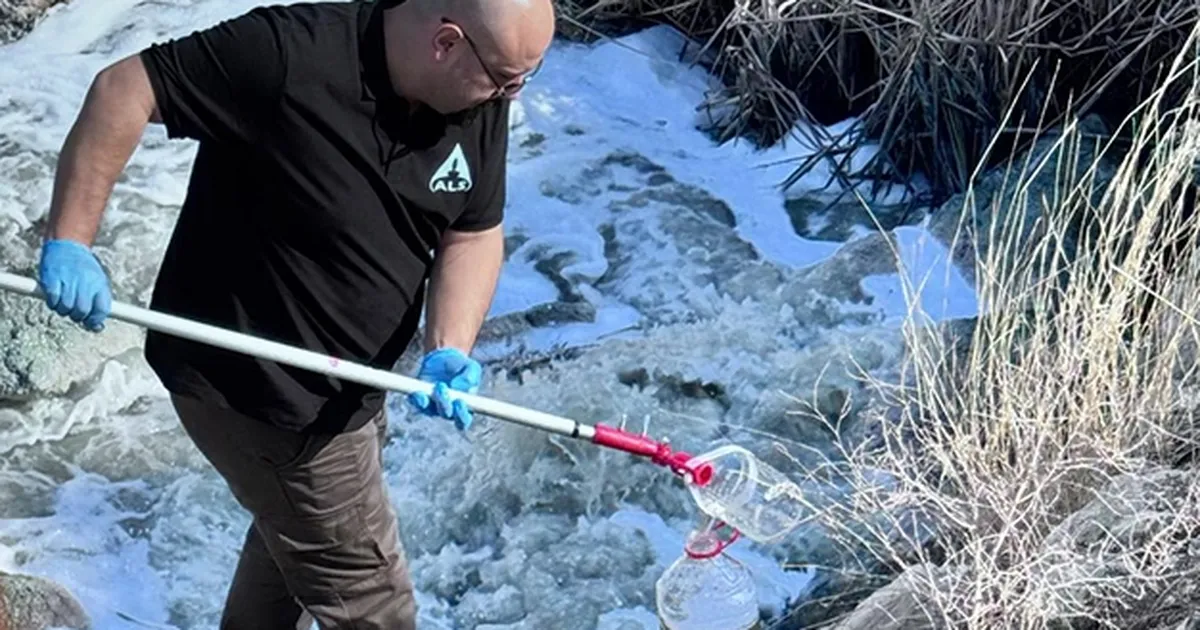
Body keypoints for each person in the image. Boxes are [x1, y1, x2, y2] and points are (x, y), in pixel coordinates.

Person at [33, 0, 556, 626]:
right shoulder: (288, 55)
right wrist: (71, 238)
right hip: (263, 392)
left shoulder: (478, 96)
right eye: (505, 79)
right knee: (373, 605)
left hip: (355, 385)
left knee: (293, 556)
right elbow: (127, 86)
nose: (510, 96)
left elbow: (473, 232)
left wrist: (448, 345)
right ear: (446, 42)